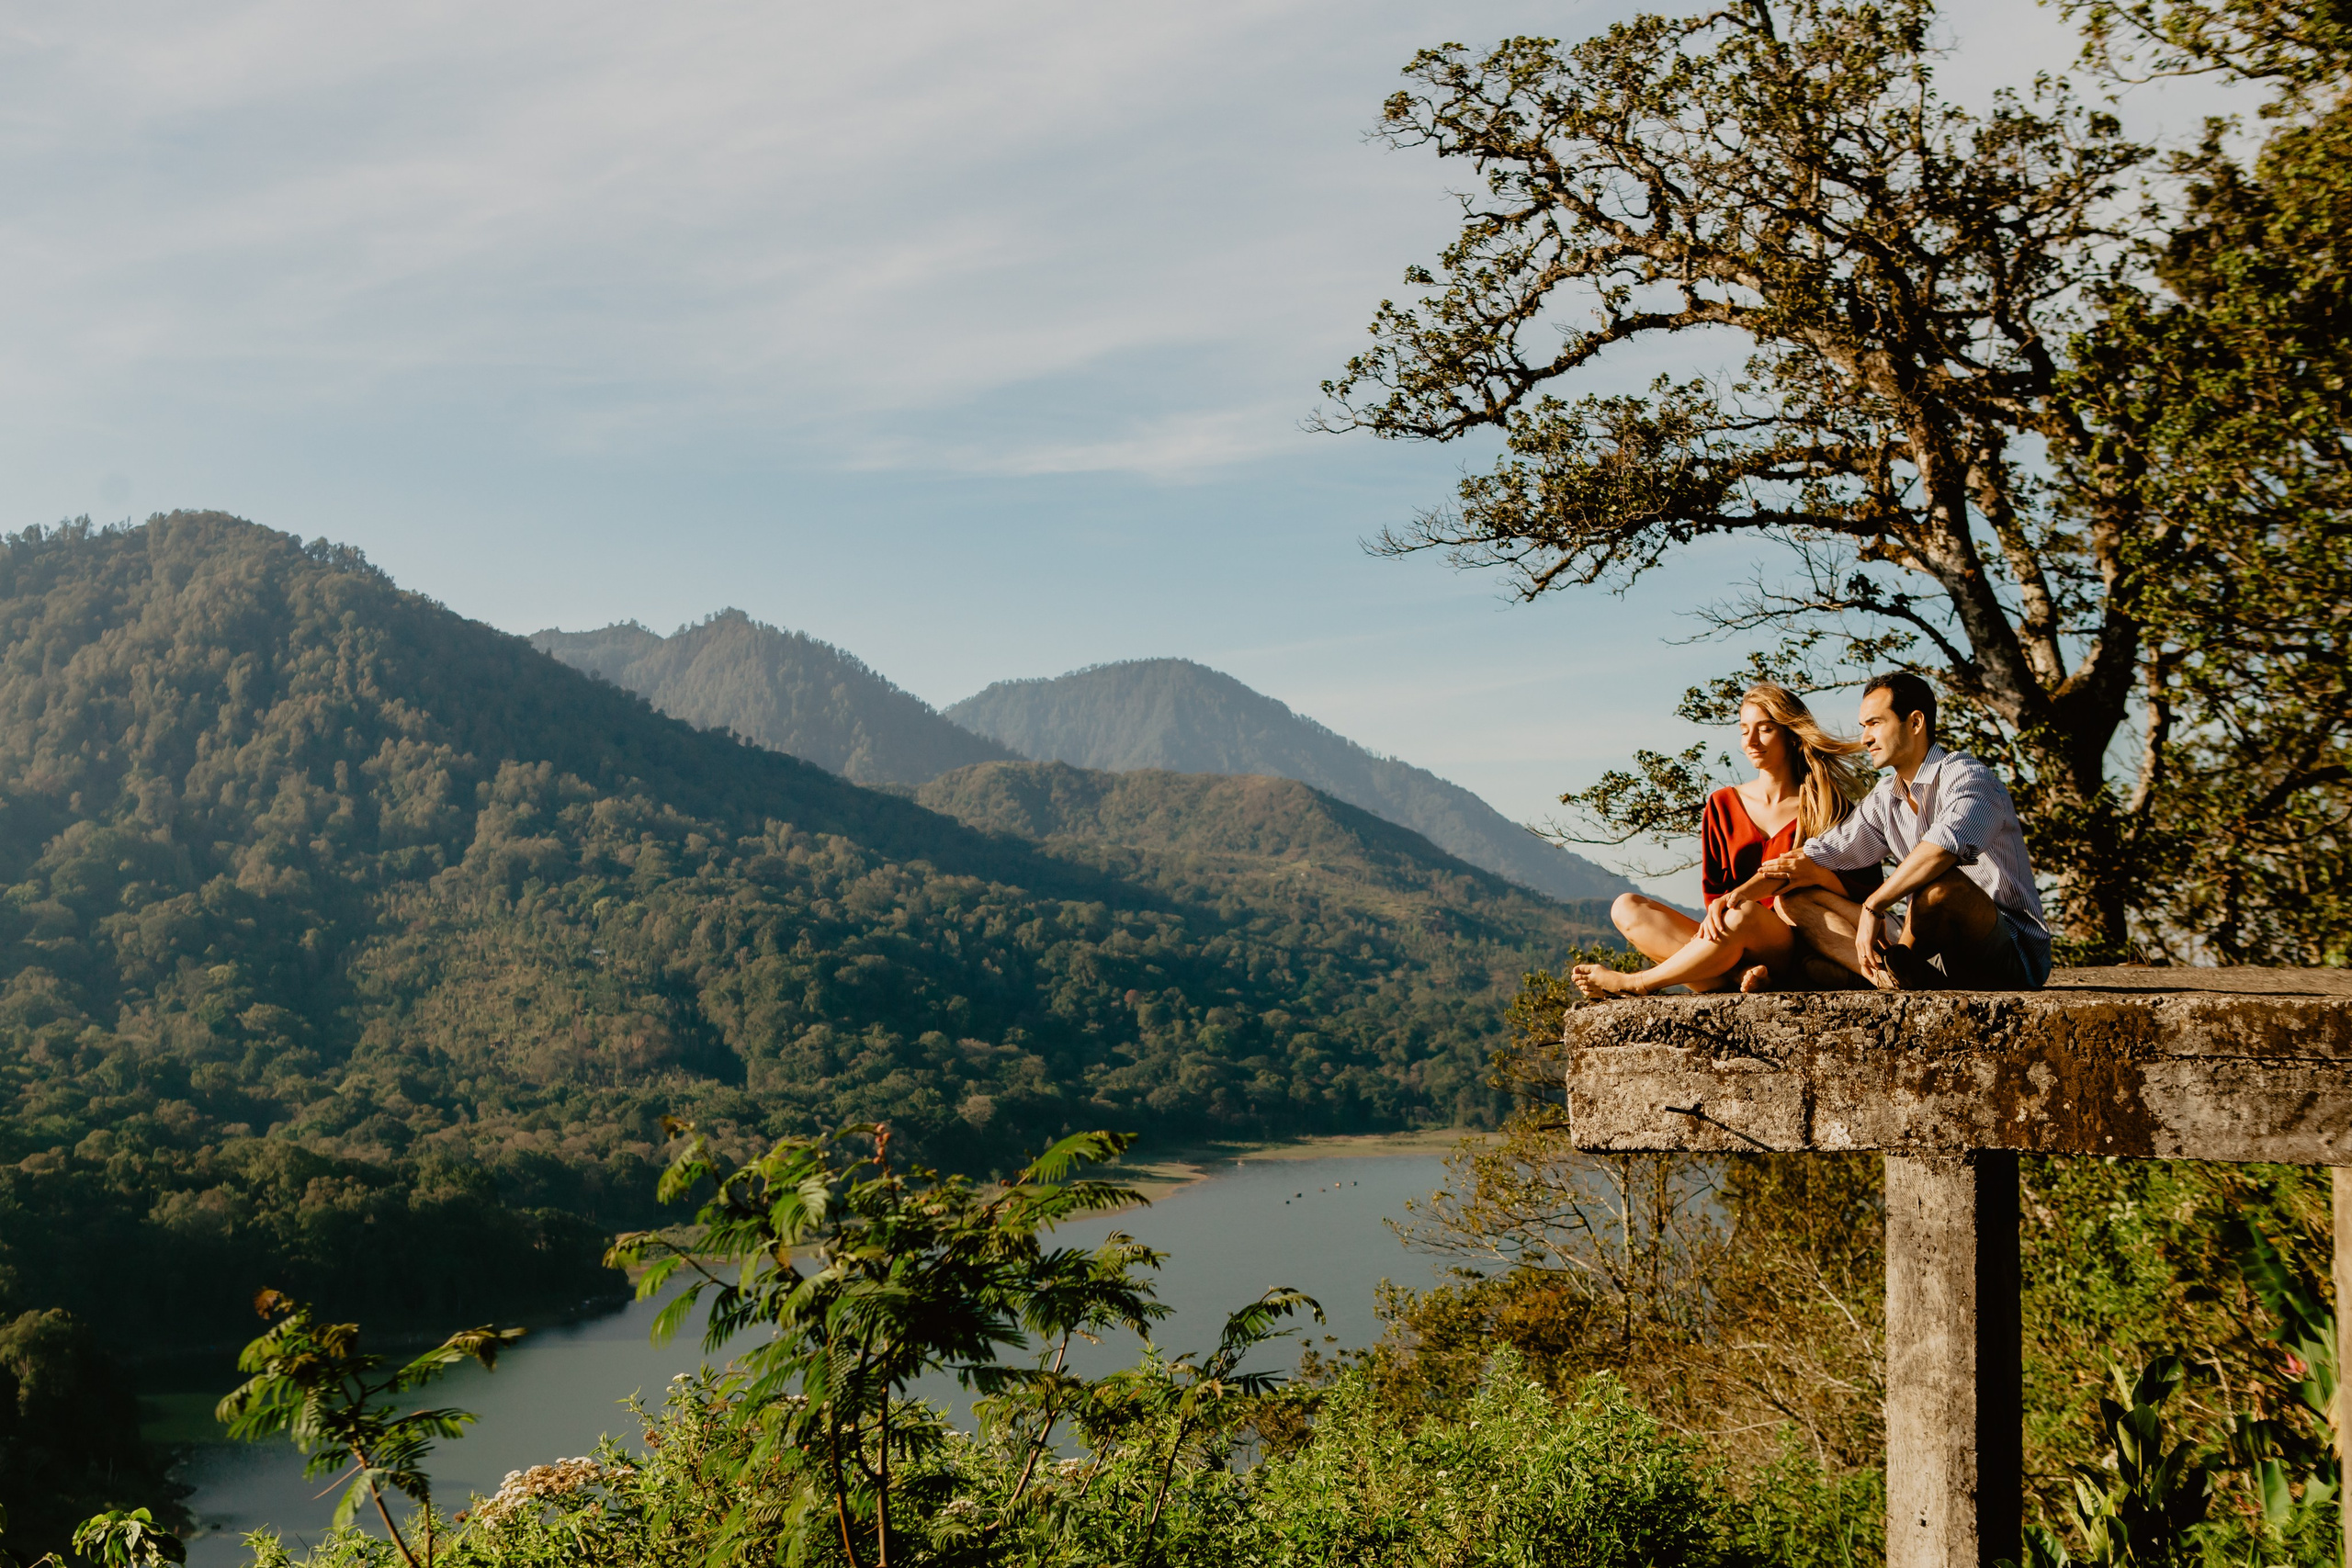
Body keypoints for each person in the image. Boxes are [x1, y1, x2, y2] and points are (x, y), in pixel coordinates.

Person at [1574, 682, 1879, 999]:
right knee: (1627, 907)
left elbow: (1864, 892)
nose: (1751, 741)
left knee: (1744, 912)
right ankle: (1736, 975)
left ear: (1790, 735)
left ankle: (1637, 982)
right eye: (1744, 730)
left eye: (1765, 729)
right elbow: (1714, 894)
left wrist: (1815, 876)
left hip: (1791, 944)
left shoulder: (1828, 806)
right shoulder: (1721, 803)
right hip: (1727, 936)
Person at [1760, 671, 2052, 990]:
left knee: (1942, 885)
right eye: (1863, 727)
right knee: (1794, 900)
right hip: (1934, 948)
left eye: (1875, 723)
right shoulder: (1886, 795)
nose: (1865, 739)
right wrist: (1737, 898)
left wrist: (1874, 906)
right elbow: (1821, 854)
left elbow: (1942, 849)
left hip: (2008, 953)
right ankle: (1886, 977)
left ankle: (1889, 969)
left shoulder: (1970, 777)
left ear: (1915, 723)